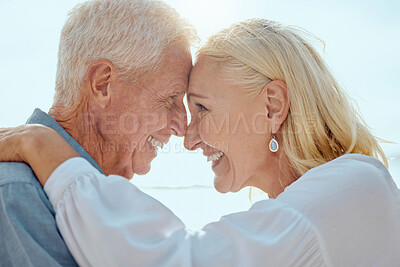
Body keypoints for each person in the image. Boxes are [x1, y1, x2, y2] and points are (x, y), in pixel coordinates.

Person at [1, 19, 399, 266]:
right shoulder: (17, 193)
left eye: (201, 109)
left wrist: (47, 149)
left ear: (273, 106)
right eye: (174, 103)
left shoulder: (359, 185)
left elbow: (182, 260)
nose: (188, 138)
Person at [0, 0, 197, 265]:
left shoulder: (103, 206)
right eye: (172, 97)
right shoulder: (17, 194)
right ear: (102, 84)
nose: (182, 127)